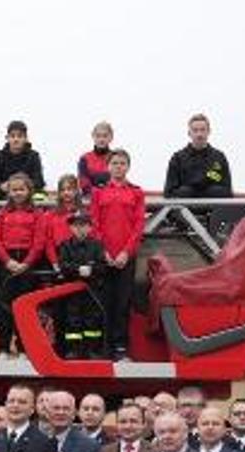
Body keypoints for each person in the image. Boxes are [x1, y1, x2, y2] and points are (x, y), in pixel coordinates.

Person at [89, 149, 145, 359]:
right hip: (103, 257)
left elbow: (139, 225)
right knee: (103, 303)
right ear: (108, 166)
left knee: (123, 304)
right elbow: (94, 224)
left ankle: (121, 347)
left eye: (122, 163)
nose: (118, 167)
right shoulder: (98, 192)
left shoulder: (137, 192)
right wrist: (103, 252)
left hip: (125, 258)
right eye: (115, 163)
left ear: (128, 166)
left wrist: (125, 253)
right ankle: (103, 348)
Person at [0, 174, 51, 356]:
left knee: (25, 307)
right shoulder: (2, 213)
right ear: (8, 191)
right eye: (14, 189)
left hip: (28, 263)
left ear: (29, 191)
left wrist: (26, 263)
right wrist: (7, 260)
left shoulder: (37, 213)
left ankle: (24, 348)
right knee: (5, 307)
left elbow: (39, 241)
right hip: (7, 261)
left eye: (21, 189)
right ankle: (3, 347)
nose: (17, 193)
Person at [53, 210, 112, 358]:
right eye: (75, 225)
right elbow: (62, 265)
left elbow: (104, 266)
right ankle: (73, 350)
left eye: (83, 225)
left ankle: (92, 350)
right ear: (70, 228)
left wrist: (92, 270)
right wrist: (77, 269)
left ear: (90, 227)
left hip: (92, 291)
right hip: (71, 292)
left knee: (92, 322)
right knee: (73, 321)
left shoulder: (97, 246)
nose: (79, 228)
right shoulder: (64, 246)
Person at [164, 113, 233, 199]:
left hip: (214, 211)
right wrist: (191, 190)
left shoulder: (219, 157)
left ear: (209, 132)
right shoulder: (177, 158)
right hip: (183, 210)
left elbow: (227, 192)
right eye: (195, 130)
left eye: (202, 130)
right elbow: (169, 193)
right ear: (189, 133)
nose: (199, 134)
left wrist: (193, 189)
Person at [0, 120, 45, 200]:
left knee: (40, 196)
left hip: (27, 197)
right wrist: (1, 186)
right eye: (12, 136)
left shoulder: (34, 156)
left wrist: (21, 186)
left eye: (20, 136)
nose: (16, 139)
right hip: (2, 197)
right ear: (7, 138)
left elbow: (39, 181)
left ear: (26, 138)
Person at [76, 121, 116, 203]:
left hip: (112, 200)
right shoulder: (84, 158)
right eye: (98, 136)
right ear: (93, 137)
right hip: (90, 201)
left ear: (111, 137)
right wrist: (98, 194)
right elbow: (84, 183)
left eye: (105, 136)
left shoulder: (116, 157)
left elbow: (119, 180)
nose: (101, 139)